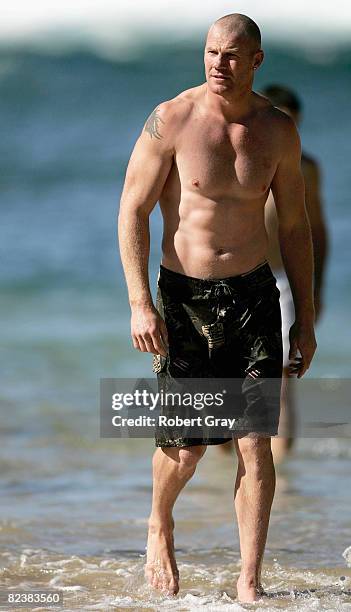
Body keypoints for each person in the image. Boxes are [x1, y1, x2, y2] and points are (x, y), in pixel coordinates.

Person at [118, 13, 317, 603]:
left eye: (231, 55)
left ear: (257, 60)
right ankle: (160, 523)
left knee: (256, 439)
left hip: (254, 295)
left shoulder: (277, 131)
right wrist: (140, 302)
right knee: (187, 448)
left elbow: (297, 228)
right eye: (210, 52)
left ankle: (249, 581)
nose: (217, 64)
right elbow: (132, 210)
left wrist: (304, 317)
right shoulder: (172, 120)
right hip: (183, 300)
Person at [262, 85, 329, 463]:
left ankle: (283, 480)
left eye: (296, 126)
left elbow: (316, 230)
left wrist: (314, 291)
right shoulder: (242, 156)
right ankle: (223, 472)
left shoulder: (307, 168)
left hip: (286, 279)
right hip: (243, 276)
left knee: (285, 376)